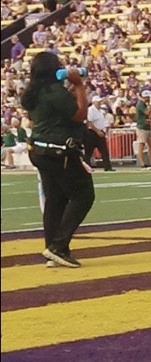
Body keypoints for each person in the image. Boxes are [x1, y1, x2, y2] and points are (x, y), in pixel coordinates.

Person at [21, 50, 95, 268]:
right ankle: (58, 246)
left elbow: (52, 112)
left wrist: (70, 91)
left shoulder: (32, 93)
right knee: (83, 195)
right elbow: (79, 114)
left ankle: (53, 250)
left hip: (38, 150)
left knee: (55, 199)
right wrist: (79, 86)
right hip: (59, 150)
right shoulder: (54, 90)